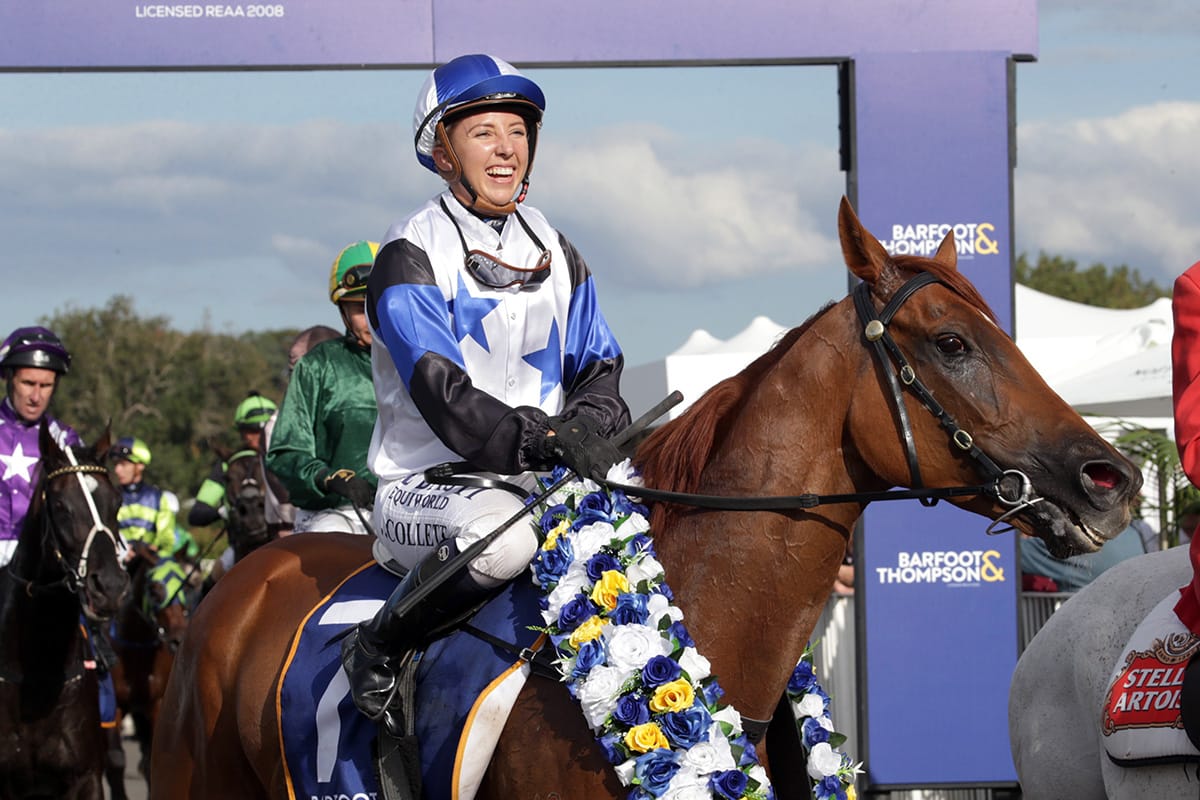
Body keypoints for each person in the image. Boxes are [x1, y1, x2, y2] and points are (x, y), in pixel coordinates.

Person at [339, 54, 630, 727]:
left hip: (538, 479)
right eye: (483, 133)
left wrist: (586, 426)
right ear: (443, 152)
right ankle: (378, 645)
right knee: (508, 540)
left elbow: (600, 367)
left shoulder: (556, 247)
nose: (506, 149)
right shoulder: (408, 252)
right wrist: (543, 438)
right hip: (425, 487)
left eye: (517, 131)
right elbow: (441, 391)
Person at [266, 242, 381, 535]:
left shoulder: (422, 362)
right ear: (342, 311)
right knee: (332, 541)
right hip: (334, 512)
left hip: (407, 509)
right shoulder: (316, 366)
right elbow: (286, 452)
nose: (372, 317)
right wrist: (328, 478)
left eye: (379, 303)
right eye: (360, 307)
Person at [0, 326, 80, 566]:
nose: (36, 397)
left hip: (38, 563)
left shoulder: (65, 439)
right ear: (8, 377)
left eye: (45, 386)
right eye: (28, 383)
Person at [262, 325, 342, 536]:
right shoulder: (277, 424)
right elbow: (286, 494)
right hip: (295, 531)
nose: (295, 379)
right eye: (293, 370)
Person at [188, 391, 279, 528]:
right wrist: (223, 512)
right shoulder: (227, 465)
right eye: (252, 429)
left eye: (266, 429)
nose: (260, 435)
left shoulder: (287, 460)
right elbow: (197, 514)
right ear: (241, 432)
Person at [1019, 522, 1146, 592]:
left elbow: (1014, 556)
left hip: (1086, 625)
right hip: (1135, 625)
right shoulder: (1133, 533)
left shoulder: (1073, 539)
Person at [109, 436, 177, 563]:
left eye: (123, 464)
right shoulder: (109, 497)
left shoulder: (158, 498)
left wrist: (149, 550)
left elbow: (167, 541)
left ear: (140, 465)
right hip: (117, 563)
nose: (117, 470)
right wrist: (118, 551)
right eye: (115, 464)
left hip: (150, 565)